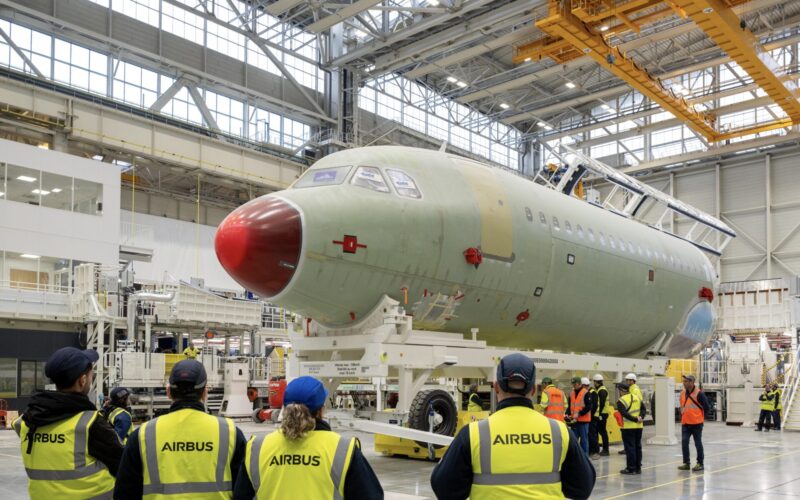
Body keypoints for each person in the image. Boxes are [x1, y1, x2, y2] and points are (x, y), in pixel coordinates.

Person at [430, 353, 595, 499]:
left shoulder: (474, 434)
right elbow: (583, 488)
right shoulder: (559, 432)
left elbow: (444, 489)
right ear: (533, 390)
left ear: (495, 387)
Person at [114, 359, 248, 499]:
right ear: (205, 392)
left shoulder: (143, 435)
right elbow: (244, 492)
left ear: (168, 392)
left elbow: (124, 493)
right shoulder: (230, 433)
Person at [234, 376, 383, 499]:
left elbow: (240, 496)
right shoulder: (342, 450)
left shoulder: (258, 448)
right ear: (320, 411)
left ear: (285, 408)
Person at [11, 347, 122, 498]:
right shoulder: (90, 423)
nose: (91, 379)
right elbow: (123, 467)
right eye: (91, 375)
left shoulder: (27, 421)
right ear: (82, 381)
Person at [677, 374, 708, 472]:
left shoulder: (699, 394)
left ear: (692, 382)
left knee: (698, 443)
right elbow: (682, 407)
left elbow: (707, 407)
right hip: (685, 423)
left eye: (686, 381)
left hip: (696, 424)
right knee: (684, 442)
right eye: (684, 381)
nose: (684, 383)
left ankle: (700, 463)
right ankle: (686, 463)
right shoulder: (682, 394)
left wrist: (700, 418)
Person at [616, 382, 646, 475]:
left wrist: (634, 419)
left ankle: (631, 468)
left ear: (621, 391)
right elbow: (643, 409)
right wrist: (640, 417)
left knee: (630, 448)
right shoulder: (636, 397)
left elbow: (624, 413)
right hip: (639, 426)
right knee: (638, 447)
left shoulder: (621, 401)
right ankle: (638, 467)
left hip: (628, 427)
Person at [566, 376, 593, 455]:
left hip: (584, 421)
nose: (574, 385)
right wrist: (567, 414)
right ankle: (576, 457)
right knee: (574, 440)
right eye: (573, 384)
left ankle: (585, 457)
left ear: (580, 384)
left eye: (575, 384)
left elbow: (589, 406)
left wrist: (580, 413)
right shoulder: (572, 393)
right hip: (574, 421)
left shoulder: (586, 392)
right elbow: (570, 406)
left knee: (584, 441)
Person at [591, 374, 610, 457]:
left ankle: (606, 450)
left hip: (602, 414)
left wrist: (598, 414)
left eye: (594, 382)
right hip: (602, 414)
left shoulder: (602, 391)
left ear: (596, 382)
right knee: (601, 431)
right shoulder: (600, 389)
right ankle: (600, 449)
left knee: (602, 432)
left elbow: (601, 404)